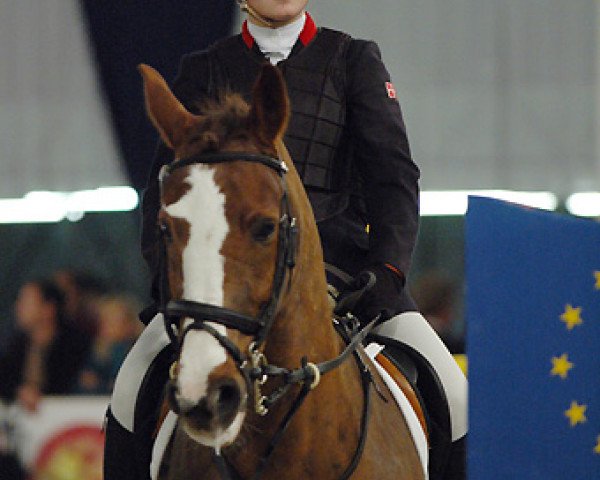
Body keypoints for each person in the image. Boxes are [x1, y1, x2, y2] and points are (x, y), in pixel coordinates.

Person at [105, 2, 467, 479]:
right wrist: (179, 289)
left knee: (454, 395)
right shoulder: (205, 70)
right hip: (226, 284)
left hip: (347, 277)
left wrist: (388, 272)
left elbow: (393, 180)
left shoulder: (353, 60)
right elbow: (162, 194)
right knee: (129, 390)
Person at [75, 295, 142, 395]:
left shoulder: (135, 353)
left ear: (129, 324)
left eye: (112, 321)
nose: (106, 326)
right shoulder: (97, 353)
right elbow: (84, 383)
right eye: (104, 320)